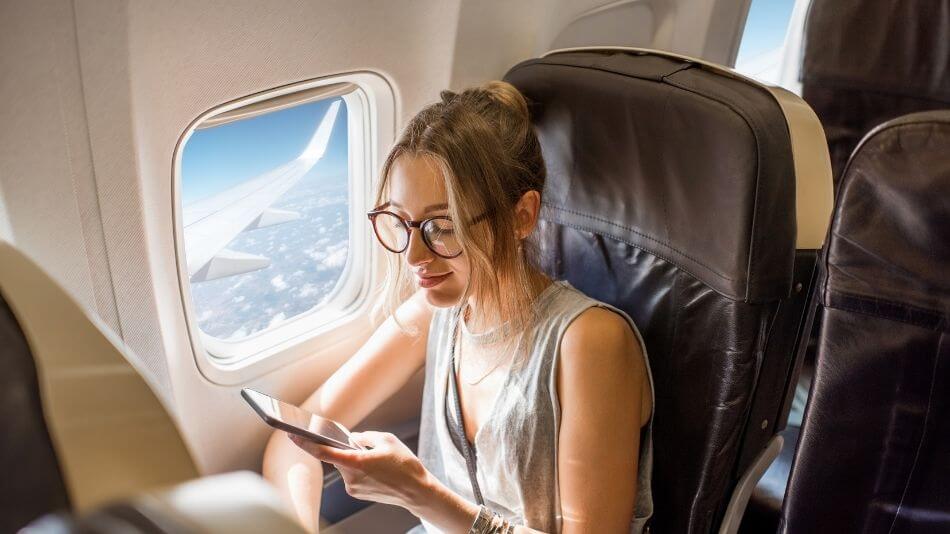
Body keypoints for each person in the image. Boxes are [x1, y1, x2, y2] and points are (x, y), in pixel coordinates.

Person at [262, 80, 654, 533]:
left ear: (521, 217)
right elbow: (292, 437)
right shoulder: (435, 315)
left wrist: (421, 495)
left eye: (441, 227)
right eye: (401, 222)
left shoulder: (590, 343)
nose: (413, 256)